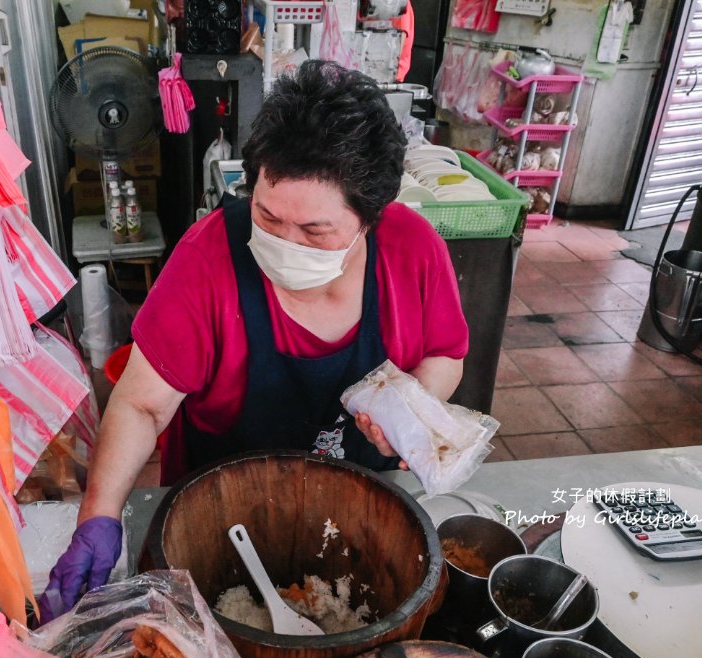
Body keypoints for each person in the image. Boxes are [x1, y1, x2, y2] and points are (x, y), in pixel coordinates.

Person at [39, 60, 469, 622]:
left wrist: (410, 409)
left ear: (370, 217)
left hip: (358, 507)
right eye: (268, 216)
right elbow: (143, 403)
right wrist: (98, 512)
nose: (286, 241)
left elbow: (445, 353)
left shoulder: (413, 250)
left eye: (314, 231)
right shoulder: (207, 257)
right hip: (216, 515)